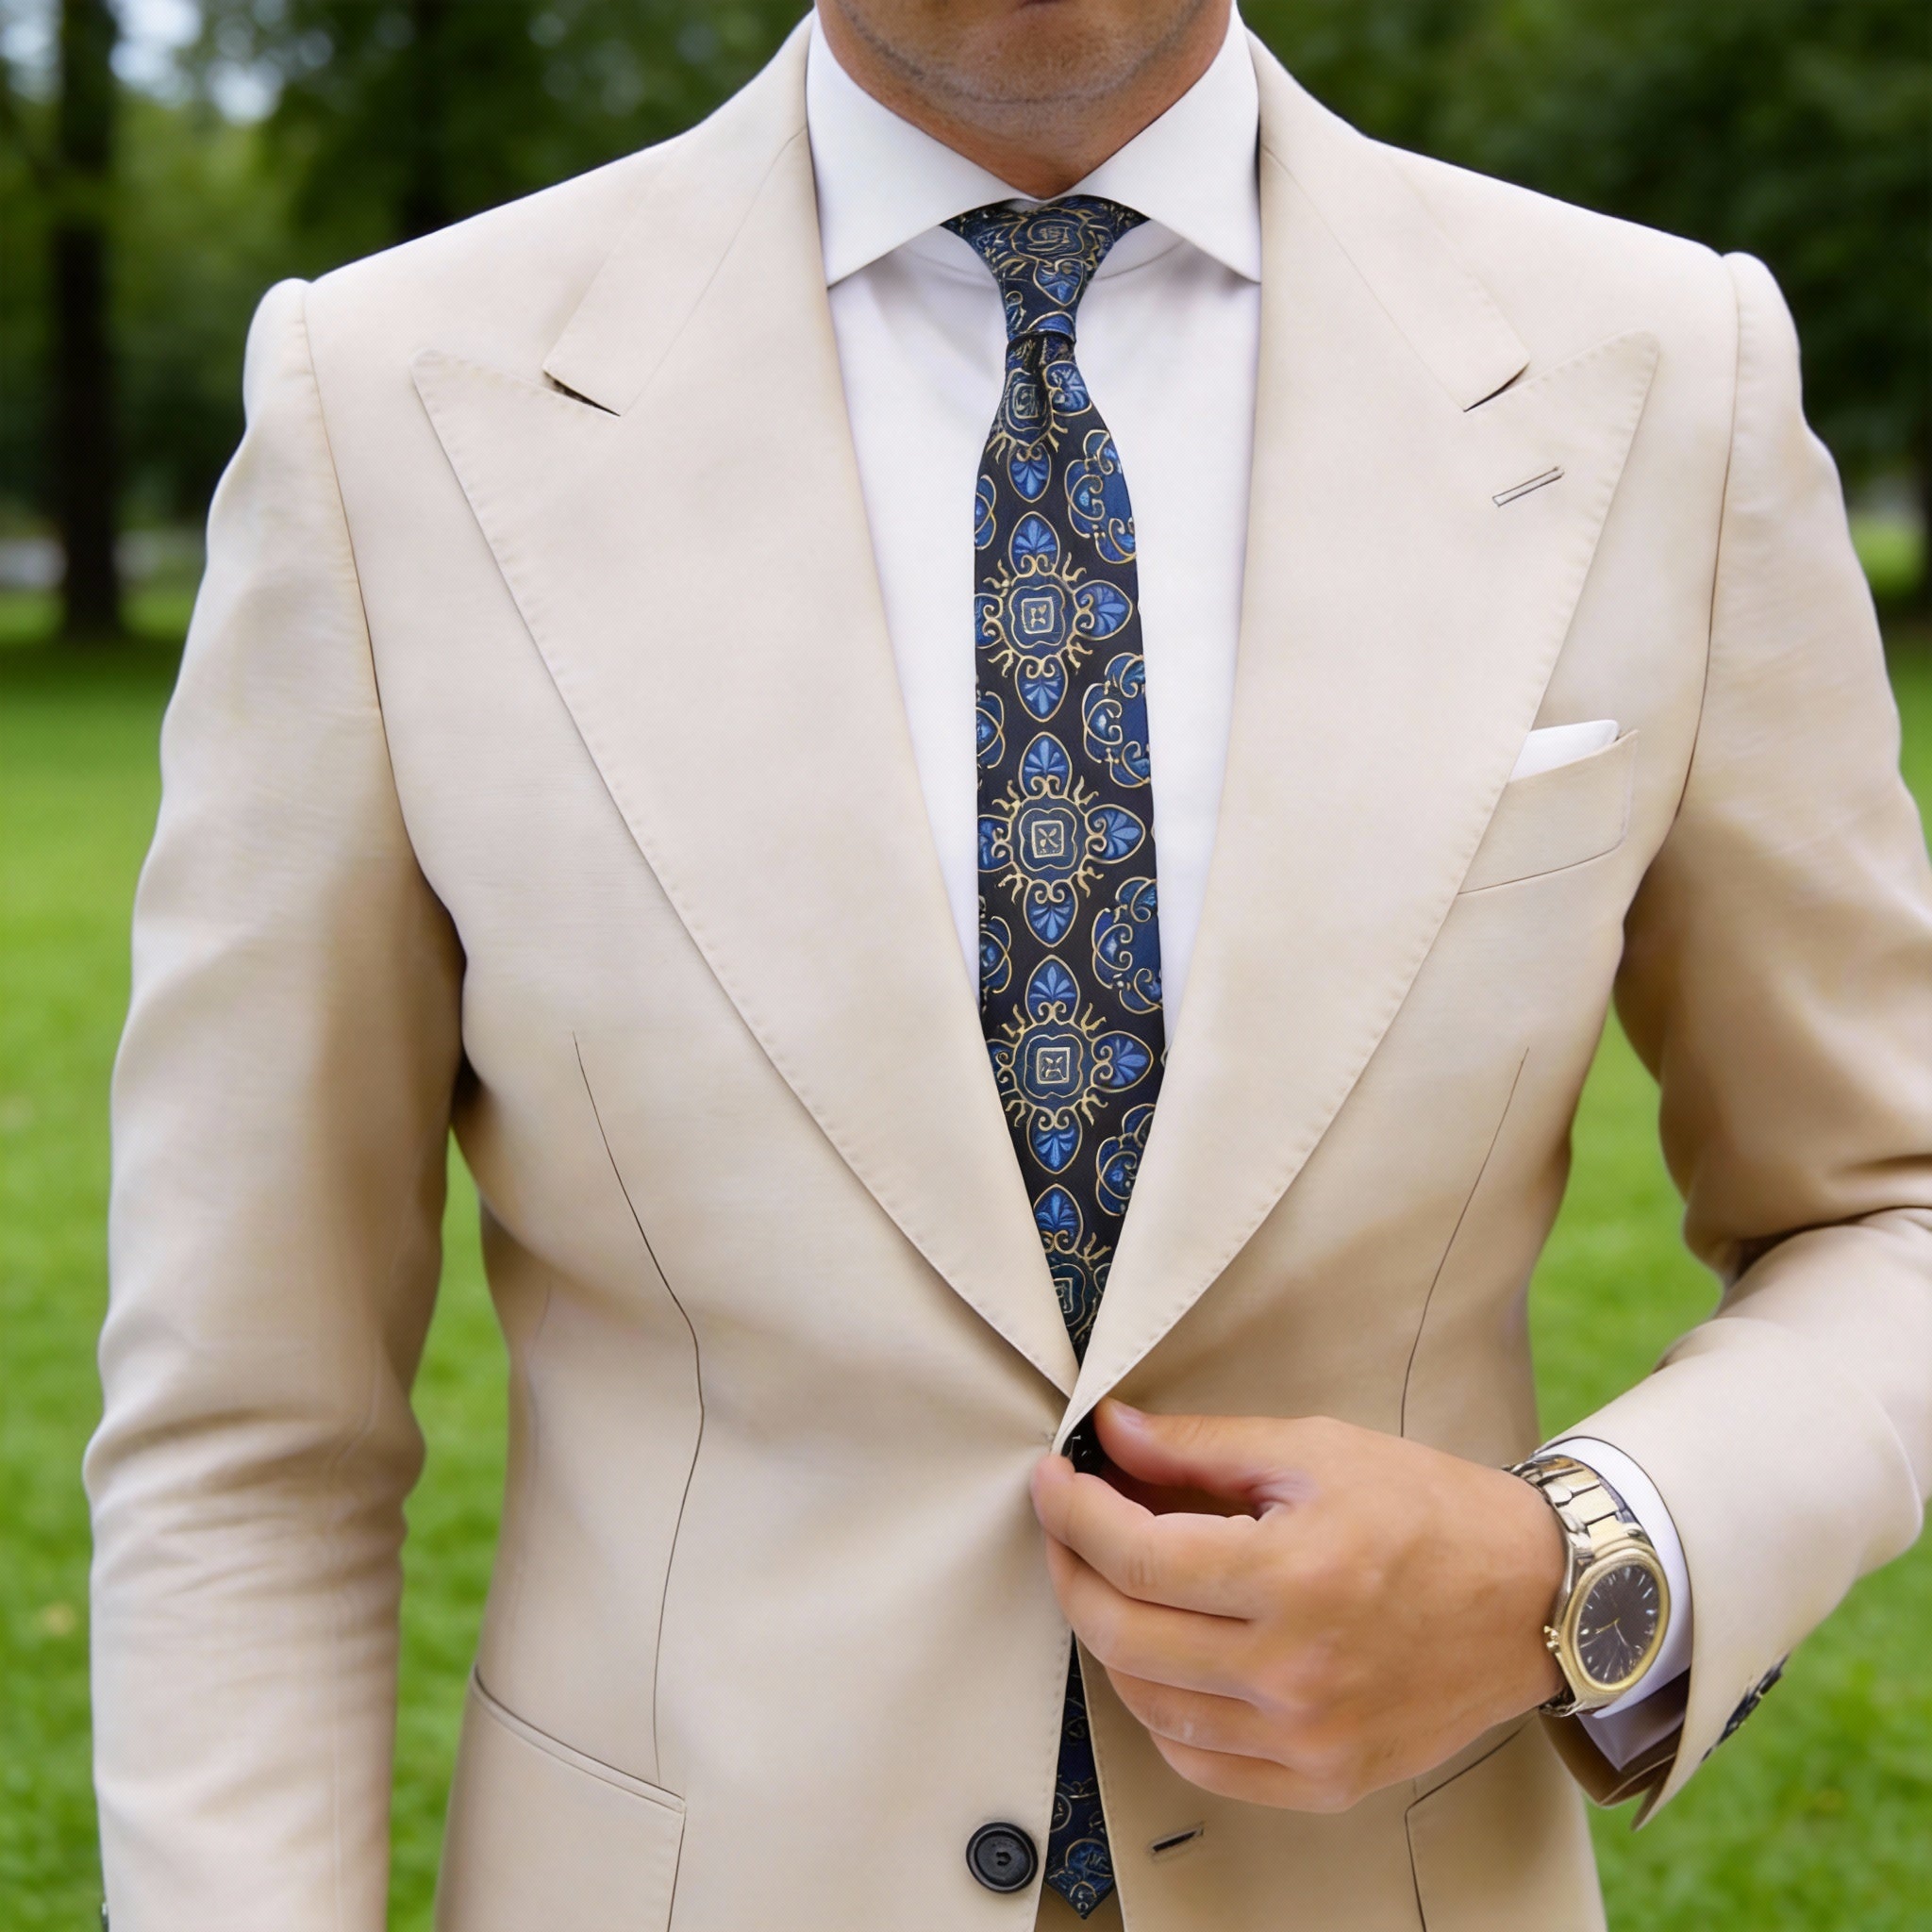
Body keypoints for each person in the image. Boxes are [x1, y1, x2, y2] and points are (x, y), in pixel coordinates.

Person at [87, 1, 1932, 1926]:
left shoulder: (1661, 372)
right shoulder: (386, 401)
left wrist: (1576, 1568)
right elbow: (248, 1435)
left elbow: (1886, 1203)